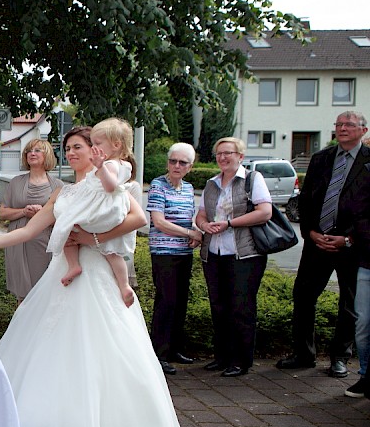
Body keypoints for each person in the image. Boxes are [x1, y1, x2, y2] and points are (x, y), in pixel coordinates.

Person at [0, 125, 192, 427]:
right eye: (69, 148)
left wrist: (95, 238)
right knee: (50, 355)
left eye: (81, 146)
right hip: (63, 274)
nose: (74, 152)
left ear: (95, 150)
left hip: (99, 275)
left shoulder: (109, 183)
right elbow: (27, 232)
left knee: (105, 356)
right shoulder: (63, 193)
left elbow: (137, 219)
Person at [276, 111, 370, 379]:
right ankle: (304, 353)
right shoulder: (321, 159)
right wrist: (310, 232)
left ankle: (340, 357)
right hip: (317, 241)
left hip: (352, 245)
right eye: (338, 124)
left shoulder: (368, 162)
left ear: (363, 130)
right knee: (304, 297)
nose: (342, 128)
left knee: (349, 304)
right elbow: (305, 200)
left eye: (349, 125)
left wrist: (349, 238)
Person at [194, 137, 272, 378]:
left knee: (241, 307)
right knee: (219, 306)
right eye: (219, 154)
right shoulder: (211, 183)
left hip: (244, 253)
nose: (223, 158)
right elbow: (201, 214)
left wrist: (229, 223)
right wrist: (204, 225)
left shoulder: (252, 179)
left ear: (240, 156)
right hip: (214, 252)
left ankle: (241, 360)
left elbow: (265, 212)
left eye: (228, 153)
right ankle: (222, 357)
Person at [47, 118, 137, 306]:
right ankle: (124, 284)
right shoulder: (121, 164)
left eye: (97, 143)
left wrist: (100, 167)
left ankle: (73, 265)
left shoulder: (110, 165)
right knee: (112, 253)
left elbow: (111, 187)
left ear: (116, 144)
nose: (95, 147)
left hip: (100, 211)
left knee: (66, 227)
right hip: (105, 211)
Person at [147, 142, 202, 376]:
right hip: (164, 253)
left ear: (190, 167)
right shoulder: (158, 186)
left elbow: (188, 219)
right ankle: (158, 354)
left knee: (180, 303)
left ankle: (174, 349)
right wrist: (191, 233)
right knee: (166, 302)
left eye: (182, 163)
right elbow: (159, 221)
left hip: (184, 252)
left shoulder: (189, 188)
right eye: (173, 161)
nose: (176, 166)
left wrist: (195, 234)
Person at [0, 138, 63, 302]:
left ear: (47, 155)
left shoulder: (57, 186)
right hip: (18, 241)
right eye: (29, 151)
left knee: (43, 290)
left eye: (37, 150)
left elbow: (64, 220)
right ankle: (21, 326)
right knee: (22, 291)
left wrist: (43, 214)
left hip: (44, 242)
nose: (31, 153)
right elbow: (3, 213)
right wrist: (23, 211)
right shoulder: (15, 182)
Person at [346, 164, 370, 398]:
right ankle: (365, 375)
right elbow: (358, 212)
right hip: (368, 263)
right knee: (363, 324)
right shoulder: (367, 173)